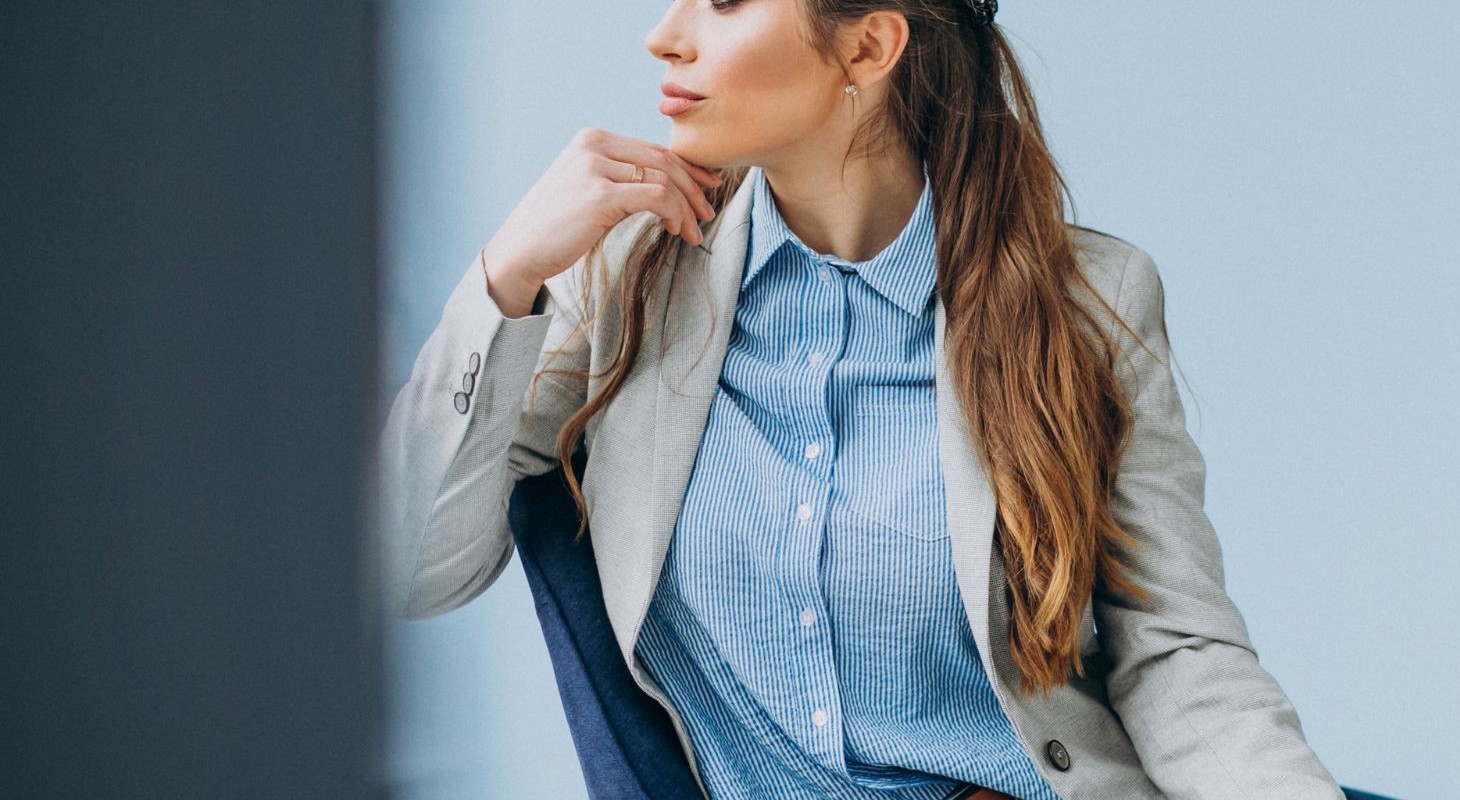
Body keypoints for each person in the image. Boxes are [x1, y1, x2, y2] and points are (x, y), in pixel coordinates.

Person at [375, 1, 1348, 798]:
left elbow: (1174, 654)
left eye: (721, 2)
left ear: (869, 46)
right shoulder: (622, 277)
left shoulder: (1086, 307)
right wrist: (504, 279)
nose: (663, 34)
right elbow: (403, 565)